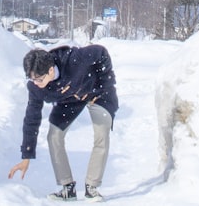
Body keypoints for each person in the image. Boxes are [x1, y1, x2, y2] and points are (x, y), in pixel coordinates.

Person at [7, 44, 118, 202]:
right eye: (32, 79)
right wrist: (26, 156)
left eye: (39, 79)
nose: (36, 82)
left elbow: (101, 52)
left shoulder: (74, 59)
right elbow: (31, 119)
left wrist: (103, 85)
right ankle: (67, 188)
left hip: (97, 93)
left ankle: (92, 187)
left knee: (102, 132)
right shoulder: (36, 88)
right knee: (54, 136)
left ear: (51, 70)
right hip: (70, 101)